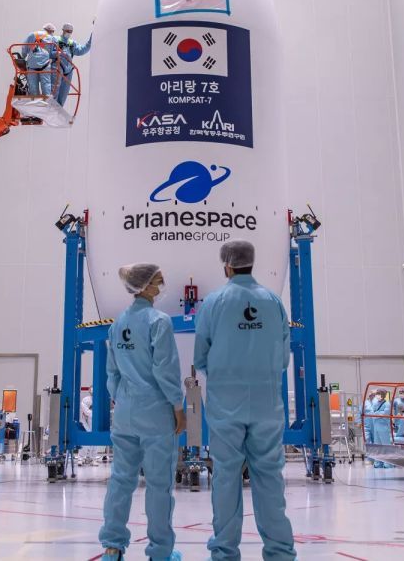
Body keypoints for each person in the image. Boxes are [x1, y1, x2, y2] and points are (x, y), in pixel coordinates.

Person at [194, 240, 297, 561]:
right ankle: (280, 553)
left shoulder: (214, 303)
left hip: (225, 404)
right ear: (252, 263)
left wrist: (225, 374)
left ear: (227, 265)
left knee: (226, 476)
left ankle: (225, 552)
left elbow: (200, 356)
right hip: (267, 403)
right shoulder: (273, 302)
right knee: (269, 478)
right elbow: (284, 357)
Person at [98, 263, 185, 561]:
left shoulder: (117, 324)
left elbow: (112, 374)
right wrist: (177, 406)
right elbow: (166, 370)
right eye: (158, 281)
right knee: (159, 484)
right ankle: (160, 551)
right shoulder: (159, 322)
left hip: (124, 412)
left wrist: (122, 400)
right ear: (144, 286)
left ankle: (112, 548)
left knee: (121, 480)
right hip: (156, 412)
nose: (161, 287)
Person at [53, 23, 92, 106]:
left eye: (70, 31)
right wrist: (58, 53)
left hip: (69, 69)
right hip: (58, 65)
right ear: (63, 30)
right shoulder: (55, 39)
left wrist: (91, 39)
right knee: (55, 89)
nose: (69, 33)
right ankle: (52, 106)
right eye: (67, 31)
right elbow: (49, 51)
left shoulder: (72, 43)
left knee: (64, 92)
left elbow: (82, 50)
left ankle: (59, 108)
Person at [22, 23, 58, 97]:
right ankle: (46, 100)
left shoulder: (32, 34)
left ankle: (34, 100)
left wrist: (23, 57)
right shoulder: (52, 38)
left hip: (32, 65)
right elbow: (52, 54)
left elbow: (24, 49)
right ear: (52, 31)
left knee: (33, 87)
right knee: (46, 85)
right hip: (45, 65)